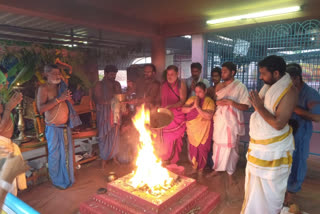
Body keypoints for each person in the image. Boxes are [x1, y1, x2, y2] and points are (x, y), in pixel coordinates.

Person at [241, 56, 298, 214]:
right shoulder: (268, 87)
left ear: (276, 73)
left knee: (270, 190)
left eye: (263, 74)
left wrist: (258, 107)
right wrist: (258, 106)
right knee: (254, 187)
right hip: (260, 147)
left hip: (274, 149)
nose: (260, 77)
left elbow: (278, 124)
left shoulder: (289, 92)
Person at [37, 64, 81, 189]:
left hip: (65, 127)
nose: (58, 76)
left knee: (67, 154)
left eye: (59, 73)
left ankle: (68, 178)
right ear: (46, 74)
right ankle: (57, 181)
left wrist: (68, 99)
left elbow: (70, 103)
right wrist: (58, 99)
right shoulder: (43, 89)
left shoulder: (62, 87)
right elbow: (41, 109)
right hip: (53, 128)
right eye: (55, 73)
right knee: (55, 155)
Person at [207, 62, 250, 183]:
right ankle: (217, 169)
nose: (222, 73)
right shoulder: (219, 86)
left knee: (232, 148)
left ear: (233, 72)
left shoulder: (241, 87)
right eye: (222, 71)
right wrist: (218, 103)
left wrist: (231, 103)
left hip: (232, 122)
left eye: (225, 71)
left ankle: (230, 172)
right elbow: (216, 101)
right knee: (217, 146)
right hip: (220, 121)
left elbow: (246, 106)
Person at [285, 63, 320, 204]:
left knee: (298, 161)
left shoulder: (310, 94)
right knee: (286, 161)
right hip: (286, 131)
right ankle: (284, 188)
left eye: (288, 80)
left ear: (296, 78)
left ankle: (292, 192)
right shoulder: (288, 91)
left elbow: (317, 117)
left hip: (301, 133)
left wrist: (296, 109)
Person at [0, 78, 26, 195]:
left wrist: (10, 106)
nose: (6, 83)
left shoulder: (2, 99)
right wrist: (8, 108)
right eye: (2, 80)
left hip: (7, 146)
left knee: (11, 188)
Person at [182, 82, 215, 176]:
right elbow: (183, 109)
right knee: (193, 150)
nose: (197, 94)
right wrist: (193, 106)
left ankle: (200, 171)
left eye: (200, 92)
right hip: (192, 130)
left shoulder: (209, 101)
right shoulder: (192, 99)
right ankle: (194, 168)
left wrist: (197, 107)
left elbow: (208, 116)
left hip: (204, 131)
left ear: (205, 91)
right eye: (196, 92)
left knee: (202, 151)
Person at [93, 65, 122, 168]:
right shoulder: (99, 85)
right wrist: (111, 102)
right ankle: (104, 159)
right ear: (105, 74)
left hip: (116, 112)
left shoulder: (117, 84)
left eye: (114, 74)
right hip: (104, 114)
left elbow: (120, 98)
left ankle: (114, 157)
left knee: (115, 135)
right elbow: (98, 100)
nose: (113, 76)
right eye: (111, 74)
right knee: (104, 136)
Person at [158, 65, 187, 165]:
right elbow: (161, 100)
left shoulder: (181, 84)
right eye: (168, 74)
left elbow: (183, 101)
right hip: (165, 115)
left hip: (176, 116)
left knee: (175, 139)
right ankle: (164, 158)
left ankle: (173, 160)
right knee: (164, 138)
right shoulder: (163, 85)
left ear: (177, 74)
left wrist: (171, 106)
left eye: (172, 74)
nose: (169, 76)